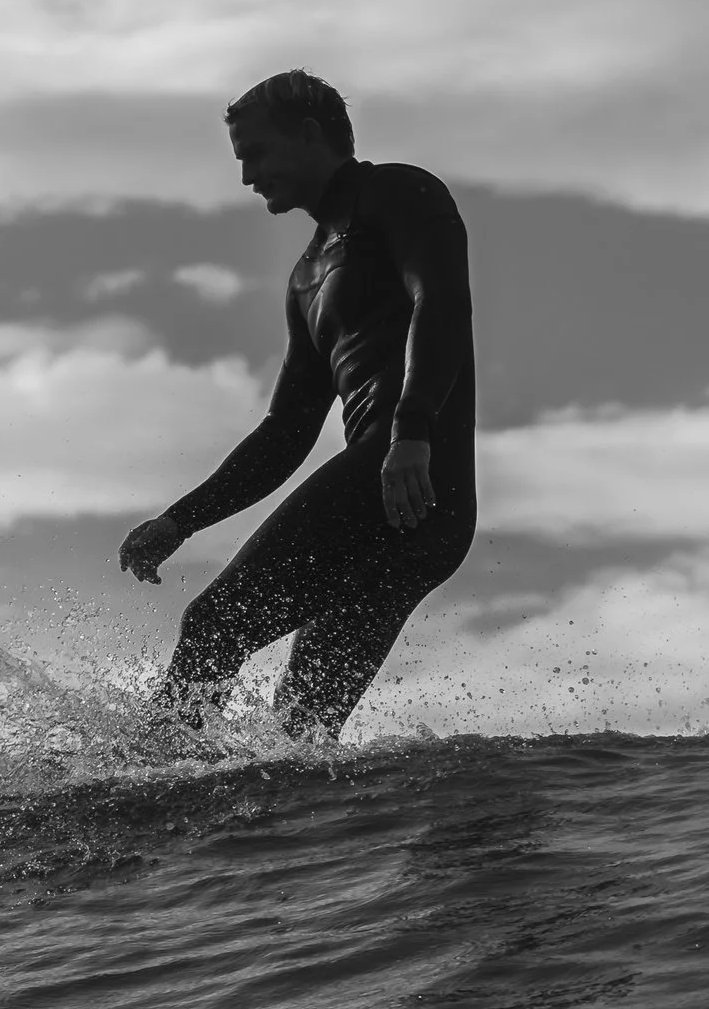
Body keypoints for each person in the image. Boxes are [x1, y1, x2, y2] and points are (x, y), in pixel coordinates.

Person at [118, 70, 476, 741]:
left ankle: (147, 769)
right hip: (410, 508)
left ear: (310, 135)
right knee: (302, 725)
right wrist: (180, 521)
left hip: (404, 475)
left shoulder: (399, 193)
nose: (248, 176)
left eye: (257, 153)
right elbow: (286, 431)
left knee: (214, 624)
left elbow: (443, 303)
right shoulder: (307, 276)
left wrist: (412, 430)